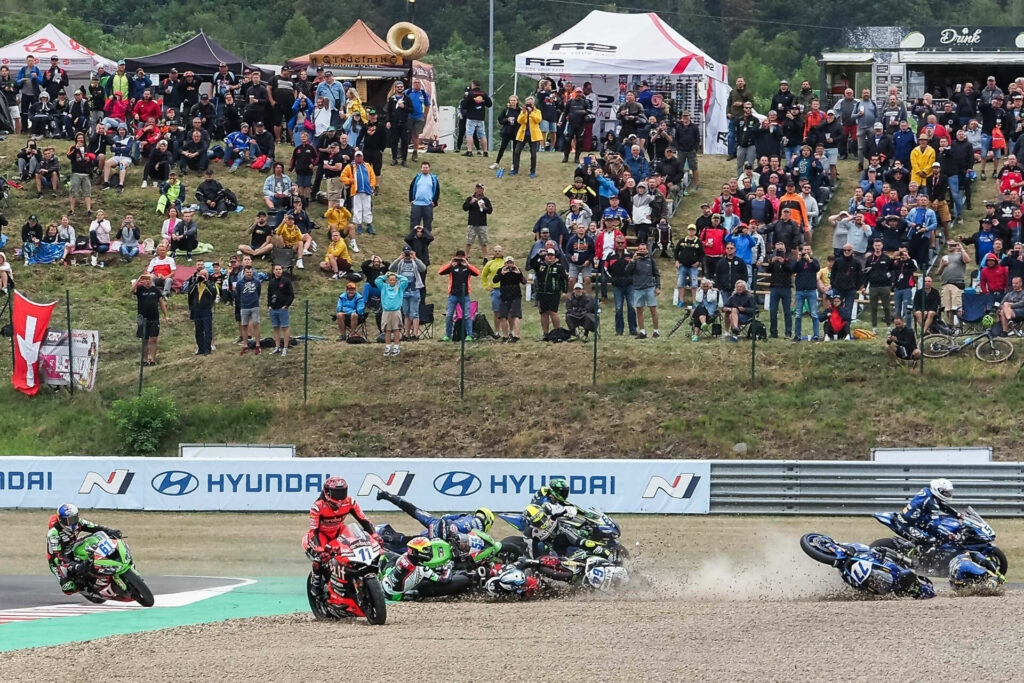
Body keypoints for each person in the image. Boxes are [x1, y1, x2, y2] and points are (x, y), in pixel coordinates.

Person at [304, 477, 377, 597]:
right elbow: (313, 531)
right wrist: (319, 550)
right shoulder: (317, 507)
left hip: (339, 532)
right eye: (336, 493)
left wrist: (374, 535)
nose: (339, 497)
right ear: (327, 492)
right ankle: (316, 583)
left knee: (357, 547)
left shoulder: (350, 502)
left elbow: (363, 520)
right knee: (319, 559)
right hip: (321, 536)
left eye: (342, 492)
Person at [46, 504, 122, 595]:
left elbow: (95, 527)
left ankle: (106, 562)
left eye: (74, 519)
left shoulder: (79, 523)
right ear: (61, 520)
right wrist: (75, 566)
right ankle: (86, 587)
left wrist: (110, 531)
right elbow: (58, 556)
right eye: (69, 521)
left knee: (96, 538)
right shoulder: (53, 533)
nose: (72, 523)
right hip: (58, 561)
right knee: (68, 588)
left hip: (73, 547)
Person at [376, 489, 494, 538]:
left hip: (438, 523)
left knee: (413, 510)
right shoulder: (481, 535)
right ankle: (390, 538)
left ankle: (387, 495)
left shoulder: (466, 515)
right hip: (448, 538)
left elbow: (446, 517)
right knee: (415, 542)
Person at [891, 478, 958, 546]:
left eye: (949, 492)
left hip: (915, 521)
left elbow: (942, 506)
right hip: (906, 525)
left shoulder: (927, 492)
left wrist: (957, 514)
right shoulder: (932, 503)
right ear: (938, 490)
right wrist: (949, 533)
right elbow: (936, 524)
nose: (948, 494)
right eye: (945, 492)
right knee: (931, 541)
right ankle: (915, 554)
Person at [438, 250, 480, 342]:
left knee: (467, 316)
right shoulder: (453, 266)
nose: (460, 258)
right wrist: (450, 263)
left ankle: (469, 335)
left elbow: (477, 273)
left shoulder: (467, 267)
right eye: (458, 256)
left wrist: (467, 264)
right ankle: (448, 335)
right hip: (453, 295)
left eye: (462, 256)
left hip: (464, 295)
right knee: (449, 315)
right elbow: (440, 272)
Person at [389, 246, 427, 340]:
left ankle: (415, 334)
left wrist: (415, 258)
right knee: (406, 313)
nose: (407, 255)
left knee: (414, 313)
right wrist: (399, 258)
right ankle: (406, 334)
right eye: (405, 253)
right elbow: (391, 268)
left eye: (408, 253)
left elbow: (423, 268)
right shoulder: (400, 262)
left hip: (414, 290)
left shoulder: (415, 262)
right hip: (403, 291)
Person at [531, 247, 569, 336]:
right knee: (543, 313)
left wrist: (564, 291)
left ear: (555, 257)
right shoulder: (541, 265)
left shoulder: (559, 267)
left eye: (552, 255)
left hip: (554, 293)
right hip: (541, 293)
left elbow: (565, 280)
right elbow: (531, 264)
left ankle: (557, 332)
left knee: (553, 312)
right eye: (548, 255)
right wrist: (538, 255)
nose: (550, 257)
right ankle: (545, 333)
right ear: (545, 256)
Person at [132, 273, 167, 366]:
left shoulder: (156, 290)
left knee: (154, 338)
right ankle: (145, 359)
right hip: (142, 318)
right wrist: (139, 279)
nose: (148, 281)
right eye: (146, 279)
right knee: (145, 339)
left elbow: (162, 303)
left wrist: (166, 315)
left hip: (154, 318)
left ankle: (152, 359)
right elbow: (132, 290)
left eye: (149, 279)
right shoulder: (140, 289)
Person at [340, 150, 377, 235]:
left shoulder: (367, 166)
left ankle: (369, 225)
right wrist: (350, 180)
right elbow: (342, 176)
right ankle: (359, 225)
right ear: (355, 157)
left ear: (362, 157)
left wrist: (372, 185)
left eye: (360, 156)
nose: (359, 158)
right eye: (357, 156)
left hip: (367, 191)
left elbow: (372, 176)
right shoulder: (350, 166)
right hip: (356, 191)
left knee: (367, 208)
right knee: (357, 209)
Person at [492, 255, 526, 342]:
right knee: (502, 316)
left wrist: (519, 273)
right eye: (508, 263)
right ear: (505, 263)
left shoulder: (516, 270)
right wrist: (501, 274)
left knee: (516, 315)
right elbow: (495, 280)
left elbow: (524, 281)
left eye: (511, 263)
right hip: (504, 296)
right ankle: (505, 336)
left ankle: (516, 335)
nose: (509, 265)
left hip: (515, 295)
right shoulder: (501, 270)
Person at [936, 240, 970, 325]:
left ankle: (960, 325)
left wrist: (961, 248)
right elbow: (938, 272)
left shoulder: (960, 255)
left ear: (956, 245)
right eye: (948, 245)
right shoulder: (945, 257)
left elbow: (967, 260)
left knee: (957, 306)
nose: (950, 246)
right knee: (948, 307)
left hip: (956, 283)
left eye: (952, 245)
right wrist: (942, 265)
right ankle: (951, 326)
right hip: (946, 283)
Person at [376, 271, 409, 357]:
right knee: (387, 330)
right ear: (388, 281)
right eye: (390, 280)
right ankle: (387, 346)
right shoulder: (384, 287)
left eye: (393, 280)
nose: (392, 281)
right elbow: (377, 281)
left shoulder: (400, 287)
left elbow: (405, 280)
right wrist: (385, 276)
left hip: (396, 311)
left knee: (396, 329)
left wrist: (397, 275)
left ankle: (396, 346)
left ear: (396, 281)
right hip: (386, 311)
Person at [793, 245, 821, 341]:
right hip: (800, 290)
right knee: (798, 314)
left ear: (811, 251)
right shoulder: (799, 262)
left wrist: (809, 260)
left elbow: (817, 268)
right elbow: (793, 270)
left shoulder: (814, 261)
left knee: (814, 313)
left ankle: (816, 335)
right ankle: (797, 335)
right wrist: (798, 260)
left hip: (811, 290)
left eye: (808, 249)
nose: (806, 251)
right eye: (805, 250)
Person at [188, 267, 217, 355]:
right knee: (198, 331)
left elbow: (213, 293)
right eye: (201, 275)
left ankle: (207, 349)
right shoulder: (196, 285)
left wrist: (205, 282)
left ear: (207, 276)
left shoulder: (210, 284)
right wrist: (197, 281)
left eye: (204, 275)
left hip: (206, 310)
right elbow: (189, 292)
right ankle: (200, 348)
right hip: (197, 310)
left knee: (207, 330)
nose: (202, 277)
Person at [267, 263, 294, 356]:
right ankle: (277, 346)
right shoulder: (271, 282)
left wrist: (286, 305)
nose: (278, 271)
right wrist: (269, 305)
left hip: (282, 308)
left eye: (280, 269)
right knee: (275, 328)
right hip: (273, 308)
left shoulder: (286, 281)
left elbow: (291, 295)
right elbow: (269, 294)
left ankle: (285, 347)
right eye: (276, 269)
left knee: (285, 327)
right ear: (274, 271)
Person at [512, 96, 542, 177]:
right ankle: (515, 169)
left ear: (533, 103)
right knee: (517, 151)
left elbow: (538, 120)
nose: (529, 105)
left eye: (530, 103)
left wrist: (531, 113)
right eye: (527, 103)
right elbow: (519, 121)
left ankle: (532, 171)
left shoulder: (537, 111)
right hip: (523, 134)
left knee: (533, 154)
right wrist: (524, 113)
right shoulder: (523, 112)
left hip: (533, 135)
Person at [462, 183, 494, 259]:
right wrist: (471, 202)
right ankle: (465, 256)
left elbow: (490, 210)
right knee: (469, 241)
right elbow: (464, 208)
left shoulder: (485, 199)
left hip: (482, 224)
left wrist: (484, 207)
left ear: (483, 190)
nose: (479, 190)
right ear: (475, 189)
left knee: (484, 242)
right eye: (478, 188)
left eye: (481, 188)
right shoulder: (470, 198)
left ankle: (485, 257)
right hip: (472, 223)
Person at [460, 81, 491, 157]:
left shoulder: (470, 94)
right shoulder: (484, 94)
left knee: (469, 134)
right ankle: (485, 152)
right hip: (481, 117)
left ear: (473, 85)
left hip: (471, 117)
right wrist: (482, 103)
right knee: (482, 135)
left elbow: (464, 105)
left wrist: (467, 100)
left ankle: (469, 151)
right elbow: (489, 104)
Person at [237, 265, 262, 355]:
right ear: (244, 272)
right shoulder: (240, 283)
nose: (249, 274)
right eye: (247, 272)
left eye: (250, 272)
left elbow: (258, 292)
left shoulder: (257, 281)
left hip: (254, 306)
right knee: (244, 325)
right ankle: (245, 345)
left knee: (256, 324)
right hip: (244, 307)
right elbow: (238, 294)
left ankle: (258, 344)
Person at [409, 161, 440, 231]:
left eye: (426, 167)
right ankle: (412, 240)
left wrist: (434, 202)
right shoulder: (417, 178)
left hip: (428, 205)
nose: (425, 169)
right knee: (414, 223)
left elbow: (437, 191)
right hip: (417, 204)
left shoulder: (433, 179)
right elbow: (411, 188)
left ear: (429, 169)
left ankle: (426, 240)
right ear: (421, 169)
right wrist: (411, 200)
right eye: (423, 168)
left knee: (427, 224)